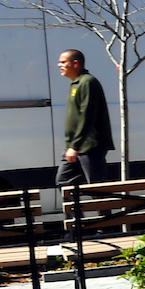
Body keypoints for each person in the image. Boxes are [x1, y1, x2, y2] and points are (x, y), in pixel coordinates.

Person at [57, 47, 113, 188]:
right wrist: (71, 146)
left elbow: (87, 116)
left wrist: (75, 146)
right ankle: (74, 211)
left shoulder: (87, 82)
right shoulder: (76, 83)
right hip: (74, 146)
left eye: (63, 62)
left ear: (75, 63)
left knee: (96, 187)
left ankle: (104, 210)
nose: (60, 65)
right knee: (64, 181)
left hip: (89, 146)